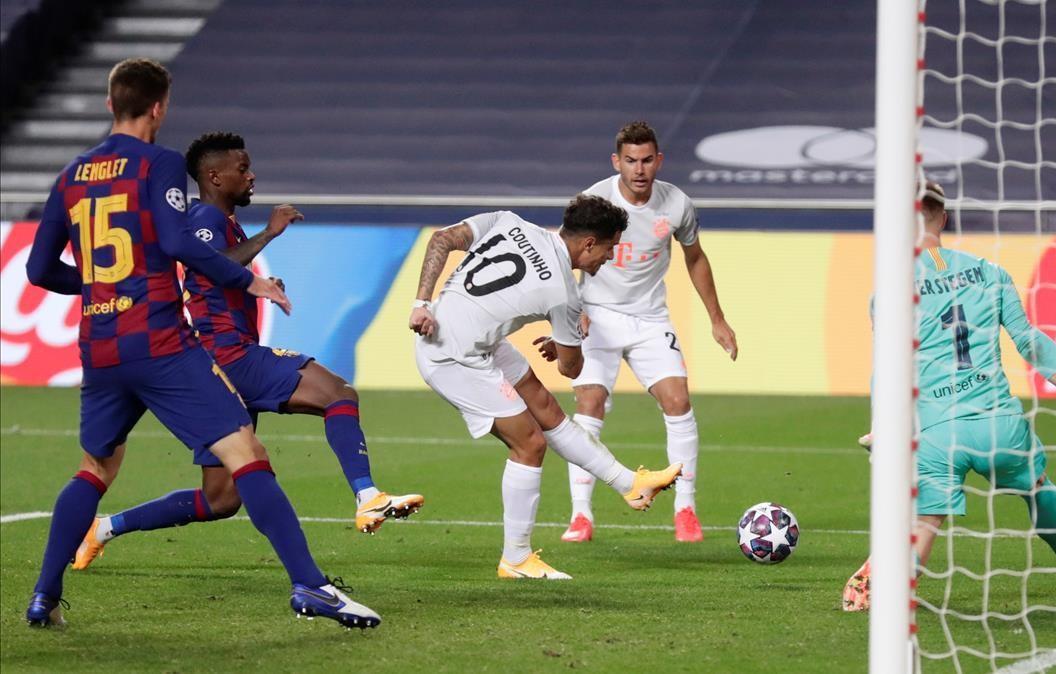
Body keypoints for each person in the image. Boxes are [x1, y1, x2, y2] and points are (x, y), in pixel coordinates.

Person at [23, 58, 379, 629]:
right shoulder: (159, 163)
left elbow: (40, 270)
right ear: (159, 107)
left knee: (93, 468)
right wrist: (249, 279)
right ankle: (310, 586)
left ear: (110, 104)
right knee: (247, 457)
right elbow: (175, 239)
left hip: (101, 347)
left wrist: (96, 285)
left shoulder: (70, 176)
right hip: (161, 341)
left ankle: (43, 597)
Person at [70, 133, 423, 573]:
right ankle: (368, 497)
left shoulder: (226, 222)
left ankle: (104, 528)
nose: (251, 175)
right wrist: (270, 234)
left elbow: (221, 271)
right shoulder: (203, 217)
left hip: (220, 365)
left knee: (220, 499)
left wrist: (261, 285)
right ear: (214, 176)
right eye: (242, 168)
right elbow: (208, 261)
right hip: (228, 355)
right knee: (338, 393)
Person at [841, 180, 1056, 611]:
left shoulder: (889, 291)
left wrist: (880, 427)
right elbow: (1029, 341)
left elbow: (887, 370)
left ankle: (892, 592)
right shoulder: (990, 272)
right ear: (943, 217)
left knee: (926, 521)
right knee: (1037, 488)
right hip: (1000, 423)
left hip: (937, 432)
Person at [408, 195, 682, 580]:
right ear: (588, 243)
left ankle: (630, 484)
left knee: (545, 408)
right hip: (452, 356)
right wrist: (569, 341)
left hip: (461, 333)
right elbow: (572, 369)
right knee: (530, 443)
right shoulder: (565, 294)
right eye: (608, 249)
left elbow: (441, 239)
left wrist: (421, 303)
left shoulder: (509, 221)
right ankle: (516, 558)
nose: (608, 259)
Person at [559, 121, 737, 544]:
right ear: (616, 161)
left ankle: (686, 509)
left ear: (658, 160)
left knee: (678, 400)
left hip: (650, 319)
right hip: (597, 316)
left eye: (646, 160)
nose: (639, 170)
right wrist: (573, 311)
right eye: (630, 161)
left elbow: (695, 258)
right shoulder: (593, 201)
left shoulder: (676, 204)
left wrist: (717, 319)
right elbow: (562, 257)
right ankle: (581, 515)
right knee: (590, 402)